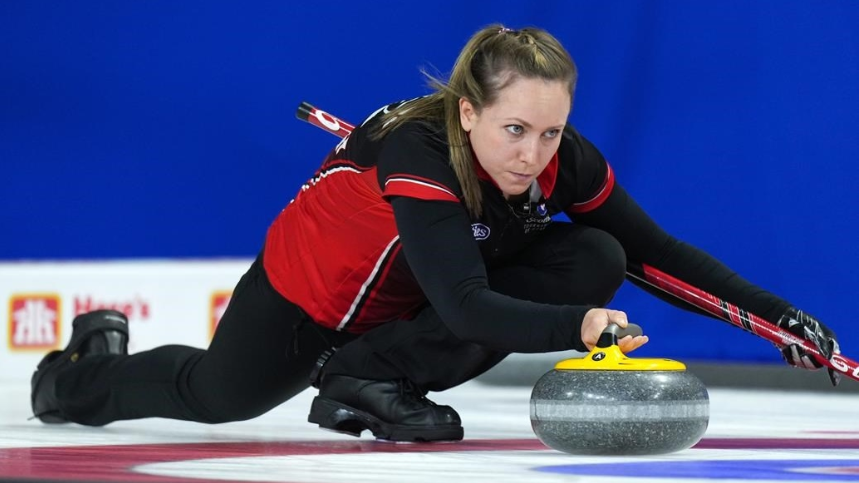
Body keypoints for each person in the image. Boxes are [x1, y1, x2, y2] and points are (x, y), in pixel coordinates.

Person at [31, 24, 840, 442]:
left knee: (597, 250)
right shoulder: (421, 151)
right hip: (311, 291)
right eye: (514, 129)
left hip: (412, 291)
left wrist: (776, 316)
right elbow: (463, 305)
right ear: (467, 111)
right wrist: (579, 326)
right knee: (218, 396)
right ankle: (77, 373)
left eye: (552, 132)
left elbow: (655, 255)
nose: (533, 154)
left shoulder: (555, 160)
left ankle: (371, 380)